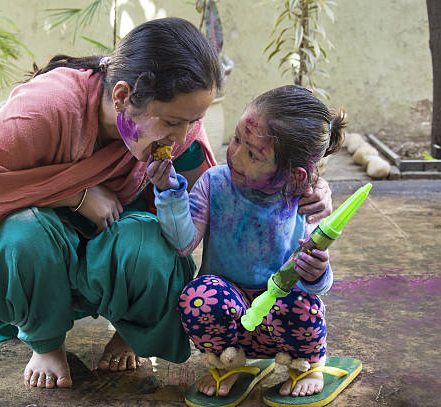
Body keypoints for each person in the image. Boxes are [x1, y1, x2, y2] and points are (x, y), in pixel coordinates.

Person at [0, 18, 334, 390]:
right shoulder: (43, 112)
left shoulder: (183, 133)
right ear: (121, 96)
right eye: (173, 122)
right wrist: (75, 193)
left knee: (152, 245)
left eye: (194, 121)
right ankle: (45, 342)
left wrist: (304, 189)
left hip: (111, 258)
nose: (182, 137)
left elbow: (221, 202)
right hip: (43, 260)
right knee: (22, 235)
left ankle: (129, 332)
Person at [146, 85, 345, 402]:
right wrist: (169, 192)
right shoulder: (215, 183)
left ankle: (309, 366)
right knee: (197, 296)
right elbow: (183, 244)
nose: (235, 155)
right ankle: (232, 364)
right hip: (229, 316)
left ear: (294, 175)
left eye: (253, 154)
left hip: (279, 317)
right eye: (237, 139)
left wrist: (318, 272)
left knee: (304, 304)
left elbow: (318, 286)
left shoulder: (304, 202)